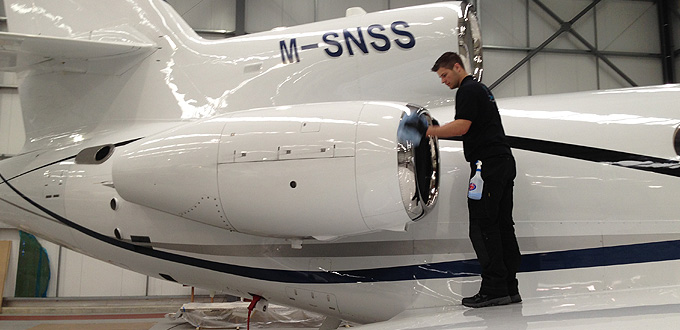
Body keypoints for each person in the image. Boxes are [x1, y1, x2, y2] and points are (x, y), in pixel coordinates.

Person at [426, 52, 521, 308]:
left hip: (486, 167)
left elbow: (462, 127)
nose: (444, 81)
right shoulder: (482, 90)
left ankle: (493, 289)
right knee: (501, 226)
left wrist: (429, 131)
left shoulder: (467, 90)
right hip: (502, 162)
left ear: (458, 67)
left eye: (445, 75)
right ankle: (509, 287)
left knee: (482, 226)